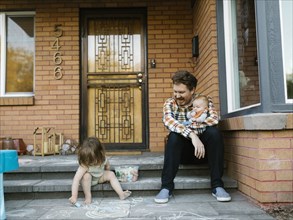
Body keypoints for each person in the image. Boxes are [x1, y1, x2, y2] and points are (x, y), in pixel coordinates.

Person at [154, 70, 231, 203]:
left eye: (181, 92)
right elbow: (168, 122)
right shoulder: (169, 103)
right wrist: (192, 135)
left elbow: (214, 119)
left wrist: (192, 129)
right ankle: (166, 187)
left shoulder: (204, 101)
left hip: (203, 153)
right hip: (182, 154)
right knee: (173, 136)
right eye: (175, 91)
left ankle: (217, 185)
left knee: (214, 133)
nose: (177, 96)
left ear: (192, 90)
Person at [69, 137, 131, 205]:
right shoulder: (85, 164)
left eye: (93, 160)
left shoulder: (103, 159)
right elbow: (76, 179)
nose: (91, 162)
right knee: (86, 176)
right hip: (89, 181)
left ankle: (121, 194)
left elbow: (107, 166)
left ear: (100, 154)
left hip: (100, 177)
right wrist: (74, 196)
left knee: (111, 174)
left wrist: (108, 178)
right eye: (89, 160)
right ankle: (88, 196)